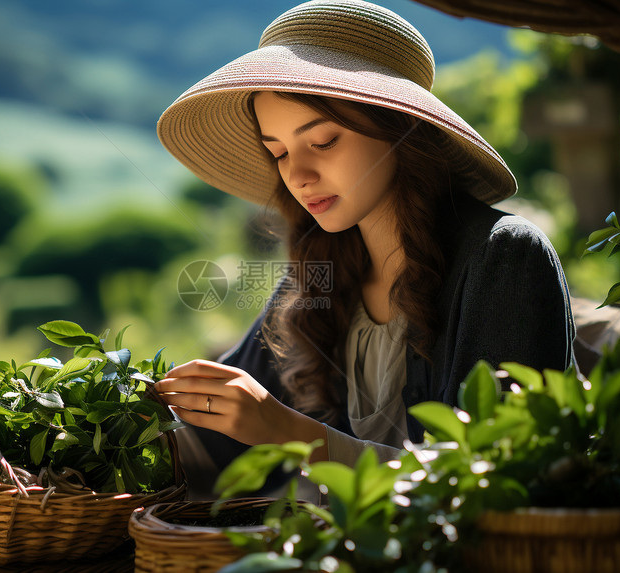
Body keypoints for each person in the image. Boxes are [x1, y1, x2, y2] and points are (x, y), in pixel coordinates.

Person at [153, 0, 575, 494]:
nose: (298, 176)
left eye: (325, 141)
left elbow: (493, 482)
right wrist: (74, 435)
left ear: (401, 130)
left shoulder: (503, 258)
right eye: (279, 153)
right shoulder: (317, 275)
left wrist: (291, 433)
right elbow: (207, 441)